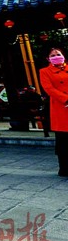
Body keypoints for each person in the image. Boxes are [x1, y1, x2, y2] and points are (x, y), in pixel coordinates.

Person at [39, 47, 68, 177]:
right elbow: (48, 88)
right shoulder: (44, 71)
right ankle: (64, 168)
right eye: (53, 55)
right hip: (60, 107)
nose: (56, 56)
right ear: (48, 59)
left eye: (58, 54)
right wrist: (66, 99)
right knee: (63, 140)